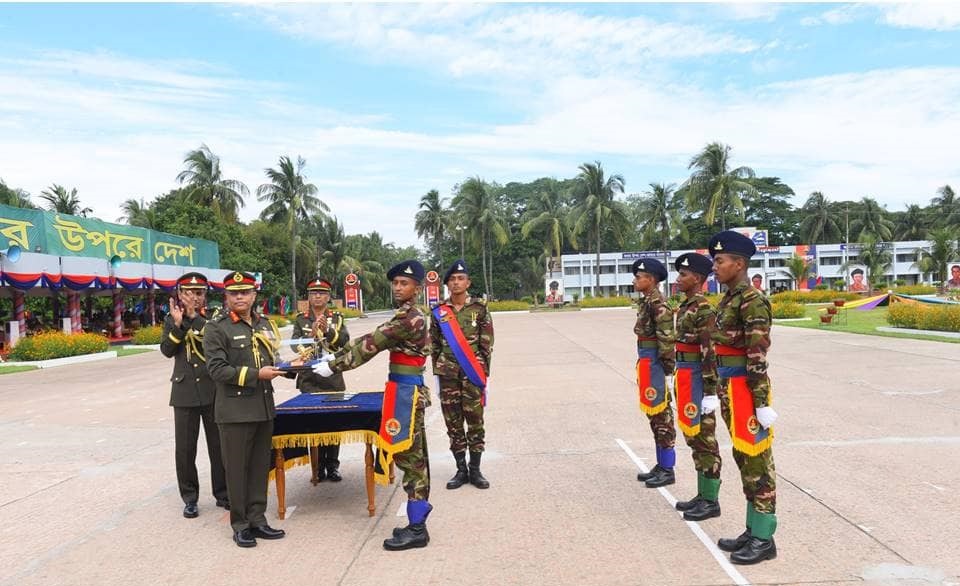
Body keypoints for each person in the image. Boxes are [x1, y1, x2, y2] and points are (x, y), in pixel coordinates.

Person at [313, 260, 433, 551]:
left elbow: (372, 345)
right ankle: (416, 523)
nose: (398, 287)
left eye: (404, 283)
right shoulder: (404, 315)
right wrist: (333, 355)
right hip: (401, 389)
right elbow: (367, 337)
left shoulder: (411, 319)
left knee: (411, 459)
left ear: (417, 288)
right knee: (410, 458)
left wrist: (334, 367)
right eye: (395, 283)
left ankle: (418, 529)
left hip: (407, 394)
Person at [203, 270, 291, 548]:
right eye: (233, 293)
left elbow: (272, 358)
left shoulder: (264, 324)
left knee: (258, 468)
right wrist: (257, 375)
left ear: (254, 295)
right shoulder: (217, 328)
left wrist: (291, 367)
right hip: (235, 411)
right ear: (226, 297)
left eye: (245, 292)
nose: (240, 297)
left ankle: (258, 519)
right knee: (237, 469)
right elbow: (217, 370)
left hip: (263, 407)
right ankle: (240, 524)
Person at [709, 231, 778, 565]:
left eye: (720, 261)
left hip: (746, 389)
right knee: (742, 459)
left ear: (739, 264)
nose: (715, 267)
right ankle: (753, 529)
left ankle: (764, 538)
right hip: (729, 388)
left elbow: (757, 353)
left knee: (758, 464)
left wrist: (762, 402)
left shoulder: (752, 300)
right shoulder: (729, 298)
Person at [159, 271, 228, 519]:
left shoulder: (214, 318)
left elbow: (212, 339)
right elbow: (167, 350)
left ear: (205, 296)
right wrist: (179, 325)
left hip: (212, 389)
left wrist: (192, 318)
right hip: (184, 390)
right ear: (179, 294)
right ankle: (190, 498)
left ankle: (223, 493)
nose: (194, 298)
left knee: (218, 446)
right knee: (185, 450)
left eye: (199, 293)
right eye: (188, 293)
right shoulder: (171, 318)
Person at [429, 259, 494, 490]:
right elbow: (434, 346)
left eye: (460, 278)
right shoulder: (439, 312)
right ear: (447, 284)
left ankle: (475, 471)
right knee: (453, 423)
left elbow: (487, 345)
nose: (456, 283)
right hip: (447, 375)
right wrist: (437, 374)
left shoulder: (480, 308)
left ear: (468, 282)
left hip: (473, 375)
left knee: (475, 422)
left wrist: (484, 374)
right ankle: (461, 470)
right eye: (452, 280)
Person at [672, 253, 723, 522]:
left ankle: (711, 500)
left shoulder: (704, 309)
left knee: (705, 439)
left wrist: (711, 392)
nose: (679, 279)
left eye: (683, 274)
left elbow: (709, 352)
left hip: (698, 381)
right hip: (685, 376)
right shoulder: (686, 306)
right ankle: (703, 494)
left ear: (698, 279)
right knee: (694, 437)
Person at [291, 276, 351, 482]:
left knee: (333, 424)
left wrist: (328, 331)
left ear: (328, 297)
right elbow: (295, 343)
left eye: (322, 293)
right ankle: (316, 468)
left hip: (332, 378)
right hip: (309, 379)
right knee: (313, 425)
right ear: (308, 297)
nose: (318, 296)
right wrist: (311, 339)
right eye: (314, 293)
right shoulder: (301, 318)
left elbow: (344, 342)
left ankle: (332, 466)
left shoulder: (337, 317)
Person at [631, 258, 677, 488]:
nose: (635, 280)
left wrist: (668, 373)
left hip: (656, 365)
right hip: (647, 362)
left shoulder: (658, 303)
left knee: (662, 417)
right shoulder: (647, 301)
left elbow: (667, 340)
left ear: (652, 279)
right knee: (654, 415)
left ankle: (668, 468)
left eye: (639, 277)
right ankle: (661, 464)